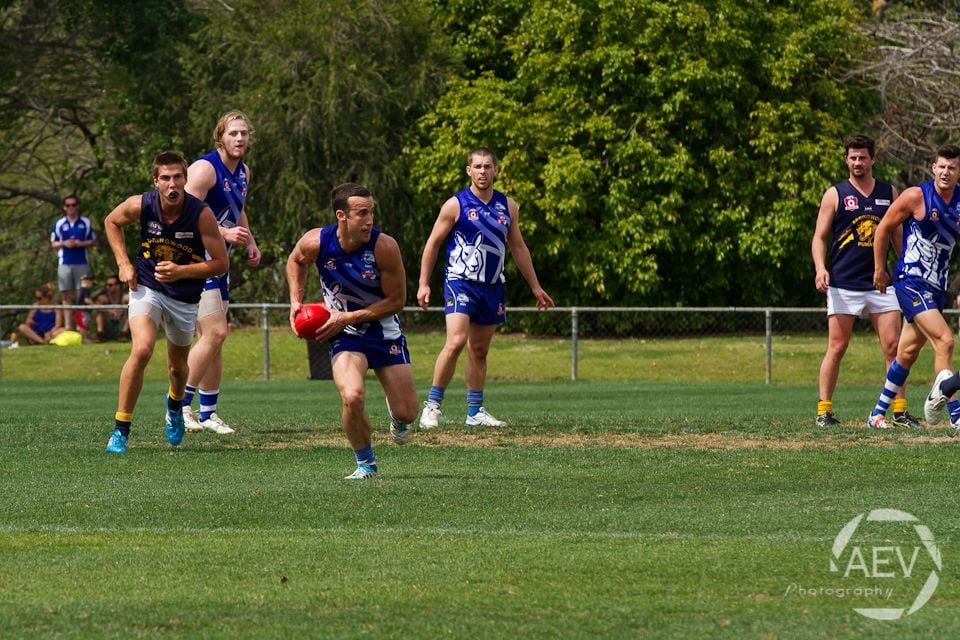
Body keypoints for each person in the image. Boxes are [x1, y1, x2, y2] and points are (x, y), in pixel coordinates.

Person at [285, 182, 417, 479]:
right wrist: (296, 301)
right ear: (341, 215)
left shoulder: (385, 247)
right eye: (362, 214)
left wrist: (348, 316)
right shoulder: (316, 242)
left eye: (371, 213)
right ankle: (366, 464)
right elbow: (296, 260)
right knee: (352, 395)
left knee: (407, 412)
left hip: (383, 331)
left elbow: (396, 301)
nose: (369, 220)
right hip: (345, 335)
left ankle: (398, 416)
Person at [416, 148, 554, 429]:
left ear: (496, 170)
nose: (482, 171)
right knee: (455, 342)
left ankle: (475, 412)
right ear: (469, 170)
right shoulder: (456, 204)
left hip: (492, 286)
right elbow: (432, 244)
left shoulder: (508, 206)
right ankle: (432, 406)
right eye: (477, 166)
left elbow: (518, 247)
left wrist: (536, 287)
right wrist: (423, 283)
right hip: (460, 281)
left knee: (479, 350)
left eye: (487, 166)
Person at [102, 151, 228, 454]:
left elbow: (221, 263)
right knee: (142, 348)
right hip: (147, 286)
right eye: (166, 178)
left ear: (185, 179)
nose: (172, 185)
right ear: (156, 181)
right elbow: (111, 222)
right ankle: (121, 430)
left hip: (184, 297)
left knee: (177, 367)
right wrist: (123, 264)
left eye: (178, 178)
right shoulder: (142, 204)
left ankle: (174, 404)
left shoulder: (200, 214)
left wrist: (182, 271)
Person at [811, 134, 916, 427]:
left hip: (882, 283)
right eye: (853, 157)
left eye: (863, 157)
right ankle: (824, 411)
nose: (858, 162)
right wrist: (820, 268)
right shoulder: (836, 194)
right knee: (838, 346)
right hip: (844, 284)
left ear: (873, 159)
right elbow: (819, 237)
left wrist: (907, 269)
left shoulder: (888, 192)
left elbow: (897, 235)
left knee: (894, 347)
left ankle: (899, 411)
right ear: (846, 160)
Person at [180, 111, 261, 436]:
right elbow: (182, 215)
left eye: (244, 133)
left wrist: (250, 241)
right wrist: (222, 234)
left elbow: (237, 209)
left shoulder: (243, 172)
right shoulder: (203, 169)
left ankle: (208, 412)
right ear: (220, 138)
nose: (239, 138)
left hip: (220, 263)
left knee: (214, 340)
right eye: (233, 133)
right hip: (195, 261)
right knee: (215, 333)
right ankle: (179, 405)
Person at [869, 144, 960, 430]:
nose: (946, 172)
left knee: (906, 353)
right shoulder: (916, 196)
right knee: (945, 341)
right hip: (911, 281)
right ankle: (955, 415)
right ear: (933, 168)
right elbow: (883, 228)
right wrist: (880, 269)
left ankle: (876, 415)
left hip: (937, 287)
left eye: (952, 168)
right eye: (941, 166)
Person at [50, 195, 96, 331]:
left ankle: (82, 327)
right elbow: (53, 243)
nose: (71, 208)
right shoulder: (59, 224)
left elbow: (92, 241)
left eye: (73, 205)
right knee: (66, 295)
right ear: (64, 207)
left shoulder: (85, 222)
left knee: (82, 295)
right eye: (68, 205)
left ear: (77, 206)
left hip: (82, 262)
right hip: (64, 263)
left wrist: (79, 243)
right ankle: (69, 326)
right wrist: (65, 243)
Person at [93, 274, 130, 342]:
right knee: (99, 313)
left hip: (122, 324)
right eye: (106, 285)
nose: (107, 287)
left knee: (131, 312)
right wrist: (109, 311)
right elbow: (95, 304)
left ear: (118, 286)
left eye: (110, 285)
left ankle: (123, 335)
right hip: (109, 324)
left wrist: (121, 311)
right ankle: (100, 335)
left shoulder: (125, 297)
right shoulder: (103, 298)